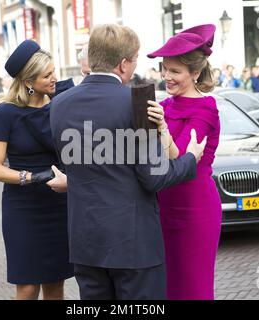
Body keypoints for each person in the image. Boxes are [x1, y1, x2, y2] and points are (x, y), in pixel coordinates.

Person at [50, 24, 206, 300]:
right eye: (134, 60)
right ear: (123, 64)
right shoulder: (137, 101)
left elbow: (81, 162)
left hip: (86, 241)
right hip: (133, 244)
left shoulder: (60, 103)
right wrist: (190, 159)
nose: (134, 67)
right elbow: (155, 177)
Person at [0, 40, 74, 300]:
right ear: (28, 81)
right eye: (47, 75)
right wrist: (31, 177)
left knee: (56, 283)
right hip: (23, 207)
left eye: (54, 71)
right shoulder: (5, 113)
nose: (54, 78)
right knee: (27, 286)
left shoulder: (59, 105)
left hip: (59, 204)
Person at [147, 24, 222, 300]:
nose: (166, 76)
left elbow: (181, 158)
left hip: (195, 211)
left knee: (193, 289)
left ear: (195, 73)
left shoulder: (206, 108)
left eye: (174, 71)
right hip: (161, 209)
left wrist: (163, 128)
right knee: (166, 290)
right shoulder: (164, 107)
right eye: (164, 69)